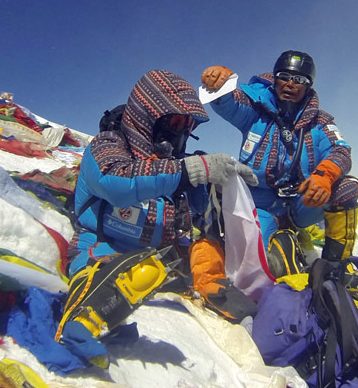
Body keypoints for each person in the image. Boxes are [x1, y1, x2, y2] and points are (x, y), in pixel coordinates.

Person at [68, 69, 256, 278]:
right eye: (176, 122)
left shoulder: (174, 164)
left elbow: (199, 210)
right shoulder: (107, 146)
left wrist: (222, 187)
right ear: (147, 115)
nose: (181, 133)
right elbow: (113, 182)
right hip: (100, 257)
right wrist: (194, 169)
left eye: (189, 126)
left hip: (162, 265)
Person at [200, 50, 358, 272]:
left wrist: (323, 177)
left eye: (299, 80)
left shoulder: (321, 123)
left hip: (302, 203)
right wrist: (220, 85)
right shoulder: (256, 112)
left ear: (308, 87)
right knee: (255, 264)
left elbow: (340, 150)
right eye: (284, 77)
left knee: (347, 188)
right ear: (275, 78)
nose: (290, 84)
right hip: (260, 205)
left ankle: (337, 269)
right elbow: (229, 104)